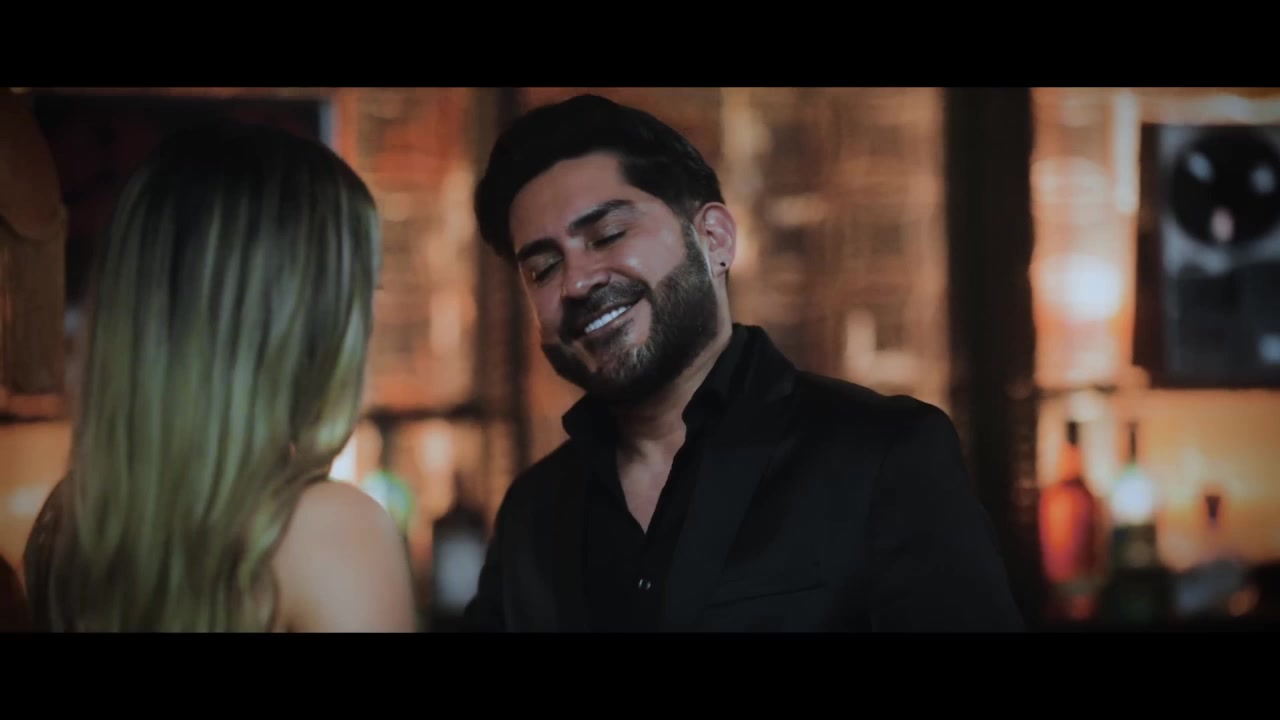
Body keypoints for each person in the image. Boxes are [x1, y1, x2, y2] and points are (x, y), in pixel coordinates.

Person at [464, 94, 1024, 632]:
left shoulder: (881, 456)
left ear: (714, 238)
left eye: (608, 235)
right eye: (543, 269)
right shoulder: (532, 513)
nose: (576, 282)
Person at [22, 122, 417, 632]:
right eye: (364, 292)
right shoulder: (332, 532)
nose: (369, 325)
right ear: (302, 320)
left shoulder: (66, 530)